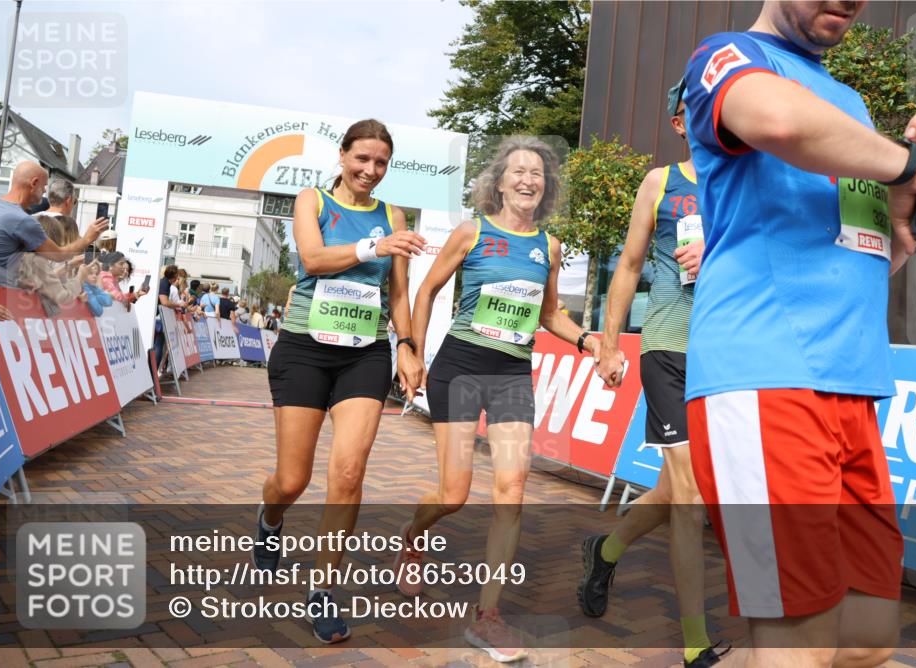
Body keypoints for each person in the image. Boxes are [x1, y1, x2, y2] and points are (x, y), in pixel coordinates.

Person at [681, 3, 916, 666]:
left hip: (854, 387)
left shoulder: (850, 105)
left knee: (865, 643)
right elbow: (779, 118)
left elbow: (863, 255)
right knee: (796, 649)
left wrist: (907, 217)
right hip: (765, 380)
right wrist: (904, 162)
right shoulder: (724, 57)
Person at [393, 137, 600, 663]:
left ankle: (488, 615)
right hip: (461, 367)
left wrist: (585, 339)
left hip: (511, 373)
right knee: (455, 493)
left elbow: (550, 313)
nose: (529, 179)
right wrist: (412, 349)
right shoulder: (472, 232)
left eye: (538, 173)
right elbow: (427, 291)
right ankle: (413, 536)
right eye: (519, 171)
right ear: (500, 181)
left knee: (512, 487)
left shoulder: (548, 247)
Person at [253, 118, 426, 644]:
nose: (370, 171)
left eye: (381, 163)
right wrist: (375, 247)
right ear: (343, 156)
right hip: (305, 349)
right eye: (362, 160)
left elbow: (398, 292)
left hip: (364, 353)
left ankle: (324, 590)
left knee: (349, 472)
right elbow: (312, 259)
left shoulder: (391, 214)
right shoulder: (313, 201)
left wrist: (408, 345)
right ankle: (269, 518)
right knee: (292, 480)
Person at [582, 79, 727, 668]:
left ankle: (606, 549)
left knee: (676, 490)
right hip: (668, 347)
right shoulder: (661, 183)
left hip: (730, 355)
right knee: (689, 496)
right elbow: (631, 263)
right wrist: (610, 344)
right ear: (678, 122)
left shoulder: (745, 181)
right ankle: (695, 642)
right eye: (694, 111)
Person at [0, 161, 107, 285]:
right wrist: (88, 238)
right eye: (44, 186)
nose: (45, 191)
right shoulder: (23, 220)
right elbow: (58, 255)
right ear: (34, 183)